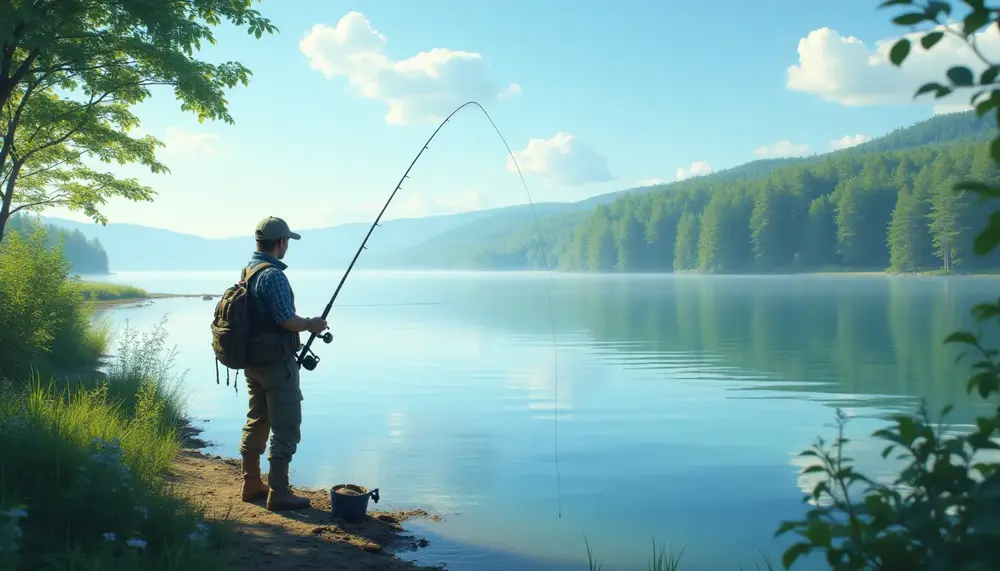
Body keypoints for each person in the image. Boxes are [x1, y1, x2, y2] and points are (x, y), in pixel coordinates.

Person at [237, 216, 328, 511]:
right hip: (276, 363)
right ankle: (279, 492)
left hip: (252, 362)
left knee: (258, 419)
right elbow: (285, 319)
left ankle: (251, 482)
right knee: (286, 426)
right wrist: (310, 324)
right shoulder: (273, 275)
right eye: (287, 241)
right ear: (280, 243)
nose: (287, 246)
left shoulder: (248, 271)